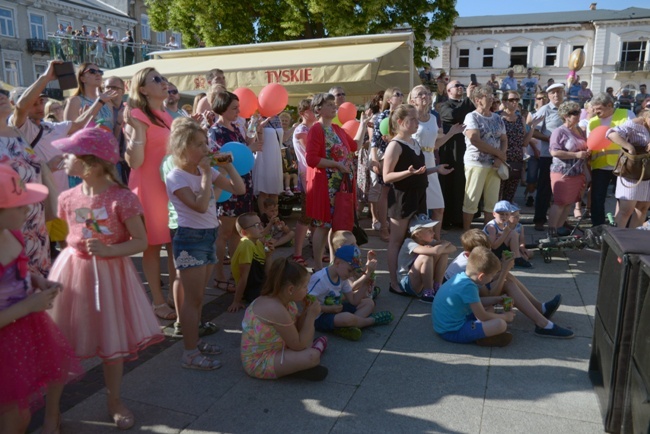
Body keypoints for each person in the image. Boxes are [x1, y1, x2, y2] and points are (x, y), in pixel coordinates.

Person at [48, 128, 165, 430]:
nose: (65, 159)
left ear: (93, 164)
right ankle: (51, 412)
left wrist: (108, 250)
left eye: (72, 155)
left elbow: (140, 241)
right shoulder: (67, 197)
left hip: (111, 275)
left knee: (111, 336)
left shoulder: (121, 198)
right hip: (73, 273)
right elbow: (63, 236)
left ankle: (114, 399)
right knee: (61, 340)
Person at [0, 164, 82, 434]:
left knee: (20, 413)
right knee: (13, 415)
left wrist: (37, 281)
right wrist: (28, 305)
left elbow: (20, 269)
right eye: (20, 206)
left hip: (24, 329)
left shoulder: (13, 233)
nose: (28, 211)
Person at [165, 117, 245, 369]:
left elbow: (239, 189)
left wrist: (228, 165)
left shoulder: (202, 171)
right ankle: (189, 353)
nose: (206, 149)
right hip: (190, 238)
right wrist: (209, 172)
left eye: (205, 143)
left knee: (200, 299)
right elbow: (200, 206)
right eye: (199, 145)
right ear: (182, 149)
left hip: (209, 235)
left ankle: (194, 342)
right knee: (194, 299)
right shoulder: (177, 176)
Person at [444, 230, 573, 339]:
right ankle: (542, 323)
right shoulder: (466, 267)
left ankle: (540, 309)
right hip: (464, 301)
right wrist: (504, 270)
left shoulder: (472, 258)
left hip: (465, 293)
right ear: (469, 253)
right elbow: (488, 294)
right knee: (507, 282)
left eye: (489, 249)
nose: (488, 253)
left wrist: (503, 269)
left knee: (508, 278)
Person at [124, 68, 176, 320]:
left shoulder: (165, 114)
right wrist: (138, 132)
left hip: (168, 186)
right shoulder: (136, 115)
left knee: (174, 244)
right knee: (153, 247)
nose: (163, 82)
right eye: (156, 79)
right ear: (142, 89)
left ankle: (175, 296)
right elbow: (134, 161)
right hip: (148, 187)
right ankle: (157, 301)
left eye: (163, 78)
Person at [240, 257, 328, 381]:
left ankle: (295, 366)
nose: (307, 290)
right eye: (304, 287)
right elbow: (299, 346)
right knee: (312, 356)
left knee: (308, 347)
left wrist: (306, 312)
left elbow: (296, 328)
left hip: (280, 348)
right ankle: (303, 361)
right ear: (291, 289)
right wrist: (312, 316)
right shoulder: (275, 308)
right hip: (259, 362)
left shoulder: (287, 302)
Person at [208, 89, 259, 289]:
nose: (238, 111)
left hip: (242, 183)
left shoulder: (236, 128)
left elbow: (243, 151)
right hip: (227, 184)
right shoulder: (215, 131)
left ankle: (236, 274)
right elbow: (217, 158)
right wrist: (248, 151)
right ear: (222, 108)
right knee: (225, 232)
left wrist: (252, 142)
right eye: (234, 108)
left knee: (239, 232)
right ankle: (219, 274)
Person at [306, 93, 357, 270]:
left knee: (336, 225)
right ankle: (319, 266)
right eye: (329, 104)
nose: (334, 107)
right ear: (318, 109)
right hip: (326, 184)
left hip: (340, 183)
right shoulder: (316, 129)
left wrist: (364, 125)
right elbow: (311, 159)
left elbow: (355, 146)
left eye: (333, 104)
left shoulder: (337, 128)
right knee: (322, 225)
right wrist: (336, 164)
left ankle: (334, 262)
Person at [382, 104, 428, 294]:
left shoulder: (414, 142)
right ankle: (393, 283)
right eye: (413, 120)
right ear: (400, 122)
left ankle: (410, 277)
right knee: (397, 240)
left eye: (417, 119)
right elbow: (386, 177)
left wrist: (434, 170)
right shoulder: (395, 145)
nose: (417, 123)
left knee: (416, 238)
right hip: (402, 198)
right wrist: (406, 173)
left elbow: (417, 172)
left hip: (418, 195)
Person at [308, 245, 394, 341]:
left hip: (335, 310)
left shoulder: (342, 277)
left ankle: (349, 326)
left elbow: (354, 301)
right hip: (319, 317)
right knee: (347, 318)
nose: (351, 274)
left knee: (369, 303)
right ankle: (370, 321)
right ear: (337, 263)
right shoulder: (320, 279)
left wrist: (366, 282)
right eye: (350, 270)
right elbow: (308, 304)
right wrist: (329, 309)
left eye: (353, 271)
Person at [433, 246, 514, 347]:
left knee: (490, 307)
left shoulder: (461, 277)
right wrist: (505, 317)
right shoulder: (469, 287)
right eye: (492, 276)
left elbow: (475, 301)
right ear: (481, 276)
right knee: (501, 324)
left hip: (445, 325)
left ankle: (484, 333)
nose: (492, 278)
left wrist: (496, 299)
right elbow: (482, 316)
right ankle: (481, 338)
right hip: (452, 331)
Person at [408, 85, 459, 240]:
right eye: (420, 94)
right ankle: (414, 239)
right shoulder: (409, 118)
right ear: (412, 100)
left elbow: (435, 145)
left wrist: (451, 133)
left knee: (439, 207)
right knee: (415, 207)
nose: (424, 96)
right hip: (414, 161)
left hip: (431, 160)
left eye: (427, 93)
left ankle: (435, 239)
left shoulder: (434, 117)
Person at [462, 85, 508, 231]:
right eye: (487, 96)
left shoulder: (497, 118)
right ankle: (467, 232)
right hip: (476, 163)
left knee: (492, 201)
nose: (492, 99)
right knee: (472, 200)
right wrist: (498, 153)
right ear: (478, 100)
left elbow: (504, 139)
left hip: (494, 165)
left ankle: (488, 232)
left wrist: (500, 157)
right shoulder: (472, 117)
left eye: (492, 96)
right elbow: (474, 140)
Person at [587, 93, 635, 226]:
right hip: (600, 166)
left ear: (609, 105)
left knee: (624, 199)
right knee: (597, 198)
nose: (595, 112)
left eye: (598, 109)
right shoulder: (592, 122)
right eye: (594, 109)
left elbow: (635, 134)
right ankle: (598, 227)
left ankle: (623, 227)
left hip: (622, 165)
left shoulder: (627, 114)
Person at [547, 101, 590, 237]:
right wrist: (576, 154)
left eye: (579, 112)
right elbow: (554, 152)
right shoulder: (559, 131)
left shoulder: (579, 131)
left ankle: (560, 228)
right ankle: (552, 231)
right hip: (562, 172)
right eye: (575, 113)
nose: (578, 115)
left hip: (577, 173)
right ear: (566, 116)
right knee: (559, 202)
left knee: (568, 203)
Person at [438, 80, 475, 228]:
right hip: (450, 149)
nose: (460, 87)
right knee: (449, 184)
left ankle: (460, 219)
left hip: (465, 148)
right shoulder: (445, 106)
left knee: (463, 183)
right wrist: (467, 98)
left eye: (462, 85)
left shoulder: (468, 104)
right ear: (448, 91)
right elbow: (453, 116)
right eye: (457, 86)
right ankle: (446, 219)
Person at [394, 214, 456, 302]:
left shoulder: (428, 241)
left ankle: (437, 287)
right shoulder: (409, 243)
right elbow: (435, 251)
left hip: (419, 281)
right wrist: (443, 244)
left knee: (443, 254)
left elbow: (453, 248)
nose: (433, 233)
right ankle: (428, 293)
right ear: (417, 234)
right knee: (426, 256)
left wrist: (441, 248)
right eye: (429, 230)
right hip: (407, 283)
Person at [530, 83, 566, 231]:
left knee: (564, 189)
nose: (556, 95)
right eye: (553, 93)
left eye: (559, 92)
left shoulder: (568, 109)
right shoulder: (545, 110)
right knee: (545, 189)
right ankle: (539, 219)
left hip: (566, 157)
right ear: (548, 96)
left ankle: (561, 220)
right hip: (548, 156)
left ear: (563, 93)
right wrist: (552, 139)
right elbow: (533, 131)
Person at [370, 87, 405, 241]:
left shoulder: (405, 116)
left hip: (403, 157)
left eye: (402, 94)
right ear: (389, 99)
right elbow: (374, 142)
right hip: (386, 158)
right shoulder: (380, 117)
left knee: (399, 193)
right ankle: (384, 227)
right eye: (397, 95)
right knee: (384, 192)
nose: (401, 97)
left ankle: (397, 226)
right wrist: (374, 160)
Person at [606, 109, 650, 228]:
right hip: (632, 172)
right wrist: (629, 147)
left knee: (643, 208)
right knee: (626, 210)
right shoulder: (635, 123)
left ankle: (634, 240)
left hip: (648, 173)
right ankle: (617, 242)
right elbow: (611, 133)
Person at [499, 90, 540, 203]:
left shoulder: (520, 118)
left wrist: (532, 128)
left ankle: (506, 217)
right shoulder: (497, 117)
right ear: (504, 101)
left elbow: (524, 142)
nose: (515, 102)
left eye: (517, 100)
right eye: (512, 100)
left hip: (516, 158)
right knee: (497, 191)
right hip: (501, 157)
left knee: (510, 193)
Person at [229, 212, 274, 312]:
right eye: (256, 226)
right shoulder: (246, 244)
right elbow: (243, 276)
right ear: (244, 233)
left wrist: (269, 256)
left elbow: (266, 273)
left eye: (261, 224)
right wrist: (236, 300)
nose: (261, 227)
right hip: (251, 291)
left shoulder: (257, 243)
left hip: (258, 285)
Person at [291, 99, 315, 266]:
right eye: (311, 109)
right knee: (306, 214)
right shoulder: (302, 130)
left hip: (313, 175)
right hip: (307, 175)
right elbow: (310, 152)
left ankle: (314, 249)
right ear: (302, 113)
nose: (315, 111)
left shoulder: (311, 128)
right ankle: (297, 253)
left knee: (314, 215)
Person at [64, 62, 114, 132]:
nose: (98, 74)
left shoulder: (108, 101)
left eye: (100, 72)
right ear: (82, 79)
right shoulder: (75, 101)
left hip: (108, 141)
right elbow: (68, 130)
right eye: (92, 71)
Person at [484, 200, 532, 268]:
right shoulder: (492, 227)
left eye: (506, 214)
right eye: (501, 214)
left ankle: (516, 257)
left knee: (528, 253)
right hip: (489, 253)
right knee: (512, 233)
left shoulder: (505, 223)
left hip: (499, 249)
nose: (504, 217)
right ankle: (517, 259)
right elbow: (493, 246)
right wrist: (505, 233)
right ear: (494, 214)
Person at [253, 113, 284, 211]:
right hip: (264, 156)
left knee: (274, 192)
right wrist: (261, 125)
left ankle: (274, 219)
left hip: (276, 157)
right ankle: (264, 219)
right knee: (264, 192)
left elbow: (282, 138)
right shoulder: (257, 117)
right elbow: (255, 138)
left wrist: (294, 128)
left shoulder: (278, 119)